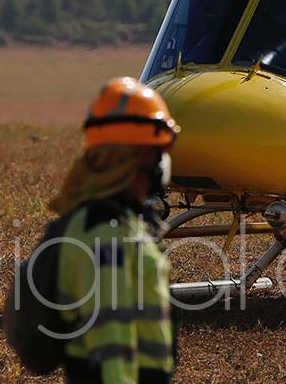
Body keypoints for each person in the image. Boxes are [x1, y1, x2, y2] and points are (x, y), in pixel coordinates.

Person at [49, 77, 180, 383]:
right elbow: (113, 335)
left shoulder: (118, 220)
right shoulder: (108, 233)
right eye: (160, 149)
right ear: (144, 157)